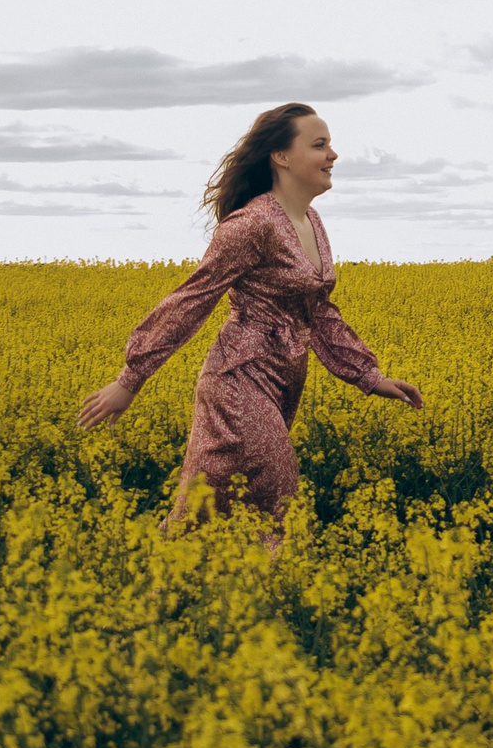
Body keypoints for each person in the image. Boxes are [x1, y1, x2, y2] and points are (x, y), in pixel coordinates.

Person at [74, 102, 423, 540]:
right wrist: (131, 378)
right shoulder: (251, 224)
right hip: (239, 380)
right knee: (281, 501)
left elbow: (318, 312)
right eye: (320, 145)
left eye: (331, 145)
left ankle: (166, 586)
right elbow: (192, 298)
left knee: (209, 508)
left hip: (283, 380)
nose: (333, 155)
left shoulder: (311, 221)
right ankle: (281, 593)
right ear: (280, 156)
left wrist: (369, 376)